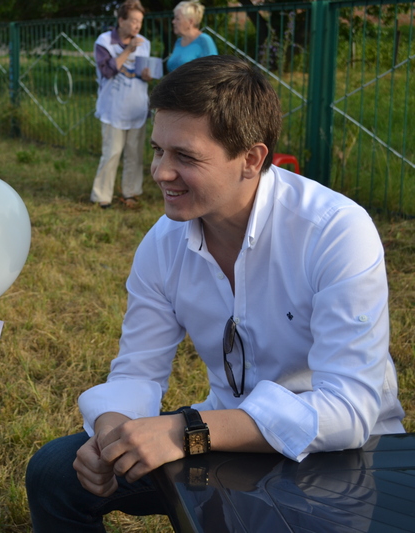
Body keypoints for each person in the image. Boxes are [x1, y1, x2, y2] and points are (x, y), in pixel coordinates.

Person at [26, 55, 406, 531]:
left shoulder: (334, 232)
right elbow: (137, 370)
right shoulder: (163, 243)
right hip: (219, 437)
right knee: (56, 473)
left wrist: (187, 433)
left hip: (341, 457)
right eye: (159, 150)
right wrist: (110, 434)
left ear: (251, 159)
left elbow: (347, 410)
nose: (161, 172)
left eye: (185, 157)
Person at [89, 0, 151, 210]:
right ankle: (101, 196)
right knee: (112, 153)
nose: (136, 26)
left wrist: (147, 75)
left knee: (134, 153)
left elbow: (143, 73)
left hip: (137, 108)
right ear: (121, 20)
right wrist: (128, 50)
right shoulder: (105, 41)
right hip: (113, 108)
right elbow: (107, 70)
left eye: (140, 22)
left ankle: (130, 192)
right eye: (133, 20)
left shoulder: (144, 42)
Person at [166, 0, 217, 72]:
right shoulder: (178, 42)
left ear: (190, 22)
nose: (173, 22)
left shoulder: (204, 41)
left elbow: (213, 70)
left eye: (177, 19)